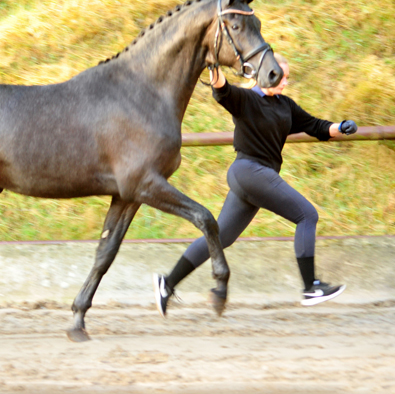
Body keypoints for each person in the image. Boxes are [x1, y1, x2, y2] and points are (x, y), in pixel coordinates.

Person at [153, 53, 358, 316]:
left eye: (287, 77)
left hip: (255, 178)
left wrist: (341, 126)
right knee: (307, 215)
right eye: (280, 76)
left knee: (221, 237)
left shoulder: (285, 106)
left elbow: (316, 126)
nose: (285, 81)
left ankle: (167, 284)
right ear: (264, 74)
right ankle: (311, 287)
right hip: (248, 170)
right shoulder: (245, 100)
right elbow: (222, 89)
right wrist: (211, 64)